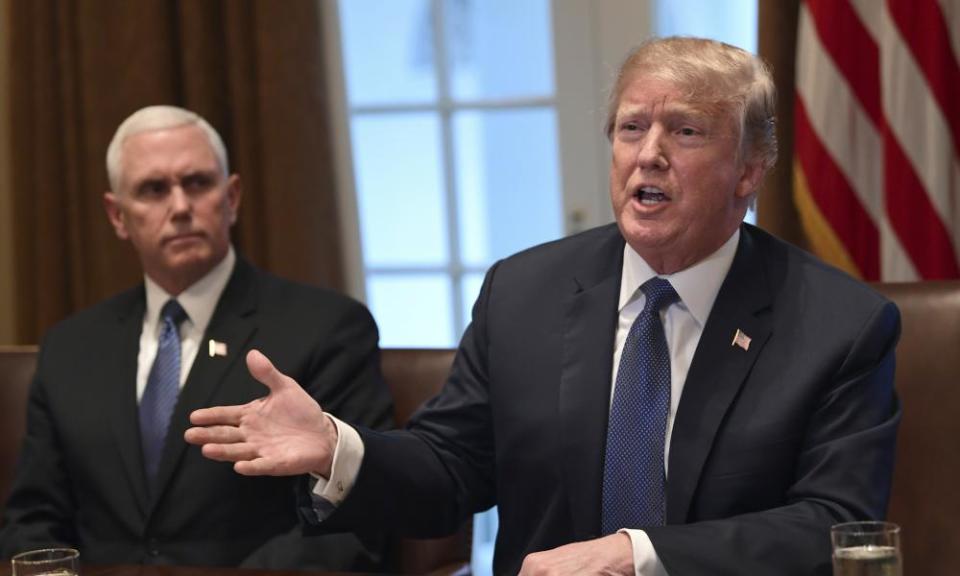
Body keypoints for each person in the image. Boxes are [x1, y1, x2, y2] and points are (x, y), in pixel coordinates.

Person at [186, 37, 900, 576]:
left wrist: (635, 555)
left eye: (685, 131)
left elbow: (836, 523)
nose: (648, 155)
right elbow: (452, 468)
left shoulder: (837, 326)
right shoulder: (523, 293)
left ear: (749, 169)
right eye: (631, 128)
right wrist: (341, 450)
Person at [0, 105, 394, 570]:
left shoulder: (326, 328)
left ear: (232, 197)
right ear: (118, 215)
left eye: (198, 183)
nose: (180, 206)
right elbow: (32, 521)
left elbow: (352, 522)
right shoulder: (70, 348)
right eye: (153, 189)